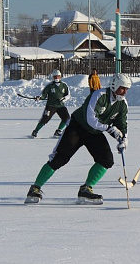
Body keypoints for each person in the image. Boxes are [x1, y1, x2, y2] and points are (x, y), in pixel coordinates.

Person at [25, 73, 131, 205]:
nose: (125, 91)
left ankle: (86, 189)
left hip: (95, 132)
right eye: (123, 88)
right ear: (114, 85)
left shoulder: (122, 104)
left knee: (106, 160)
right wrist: (110, 129)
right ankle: (35, 188)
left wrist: (123, 139)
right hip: (78, 127)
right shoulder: (99, 95)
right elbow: (91, 119)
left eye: (127, 89)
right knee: (60, 158)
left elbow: (122, 124)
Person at [31, 69, 71, 138]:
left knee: (67, 118)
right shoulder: (50, 85)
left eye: (58, 76)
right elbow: (43, 94)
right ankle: (35, 131)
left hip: (61, 106)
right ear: (53, 77)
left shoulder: (64, 85)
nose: (56, 78)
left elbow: (68, 95)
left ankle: (58, 131)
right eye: (55, 77)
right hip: (51, 106)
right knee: (45, 119)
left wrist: (64, 99)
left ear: (60, 76)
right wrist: (39, 97)